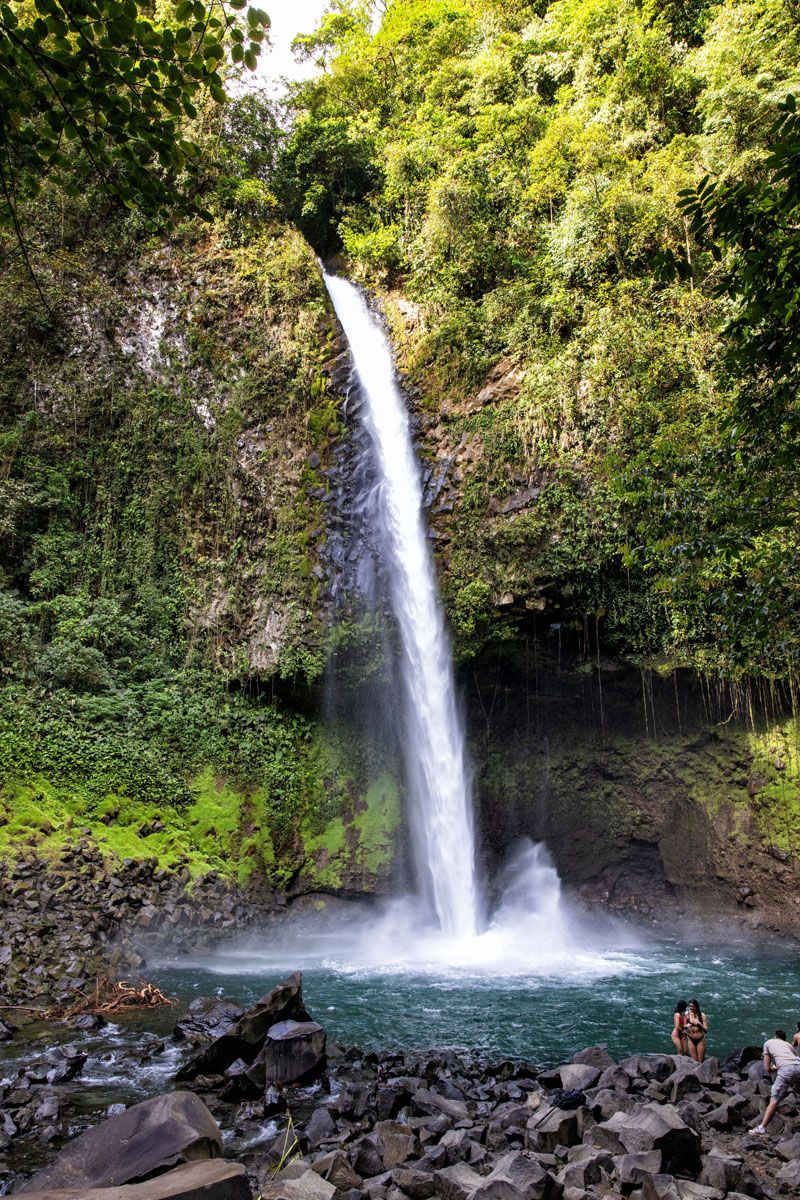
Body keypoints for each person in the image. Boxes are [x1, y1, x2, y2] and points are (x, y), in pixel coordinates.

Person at [751, 1029, 800, 1134]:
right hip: (798, 1067)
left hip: (787, 1070)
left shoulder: (768, 1043)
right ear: (784, 1039)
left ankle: (761, 1128)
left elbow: (767, 1068)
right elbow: (793, 1058)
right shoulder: (788, 1045)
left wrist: (774, 1068)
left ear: (774, 1036)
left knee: (774, 1100)